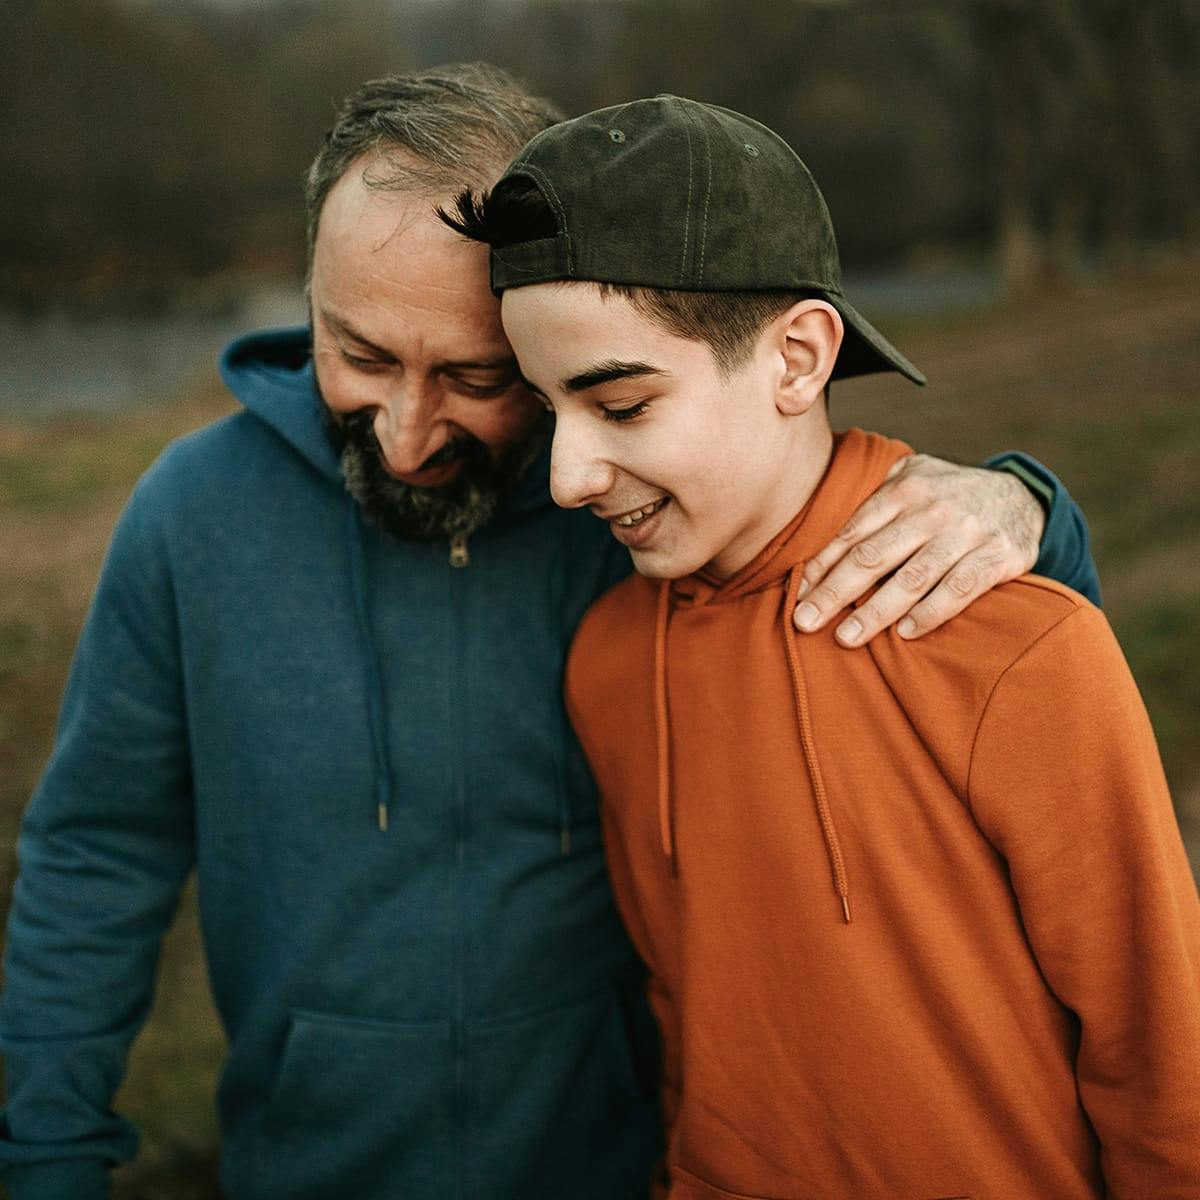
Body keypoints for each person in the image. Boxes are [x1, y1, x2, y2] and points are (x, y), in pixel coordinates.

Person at [0, 66, 1098, 1200]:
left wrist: (1028, 505)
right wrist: (44, 1158)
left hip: (618, 1170)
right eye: (361, 355)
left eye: (476, 377)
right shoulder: (190, 517)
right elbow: (97, 853)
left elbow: (927, 599)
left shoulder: (639, 521)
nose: (410, 434)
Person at [450, 94, 1200, 1199]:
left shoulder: (1013, 645)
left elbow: (1166, 1074)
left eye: (621, 403)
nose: (566, 478)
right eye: (550, 408)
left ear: (798, 359)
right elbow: (684, 1021)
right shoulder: (606, 661)